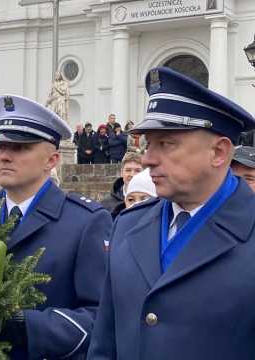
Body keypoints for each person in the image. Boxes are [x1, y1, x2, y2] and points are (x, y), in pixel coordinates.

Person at [87, 67, 255, 360]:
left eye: (166, 143)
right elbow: (105, 344)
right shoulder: (128, 225)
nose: (148, 159)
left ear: (218, 152)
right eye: (149, 143)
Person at [0, 94, 112, 360]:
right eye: (0, 146)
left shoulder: (85, 221)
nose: (4, 156)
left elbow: (101, 315)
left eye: (20, 148)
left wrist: (29, 326)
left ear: (52, 160)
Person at [101, 152, 143, 218]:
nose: (132, 175)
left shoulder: (153, 201)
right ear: (121, 173)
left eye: (137, 171)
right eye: (128, 170)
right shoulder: (106, 204)